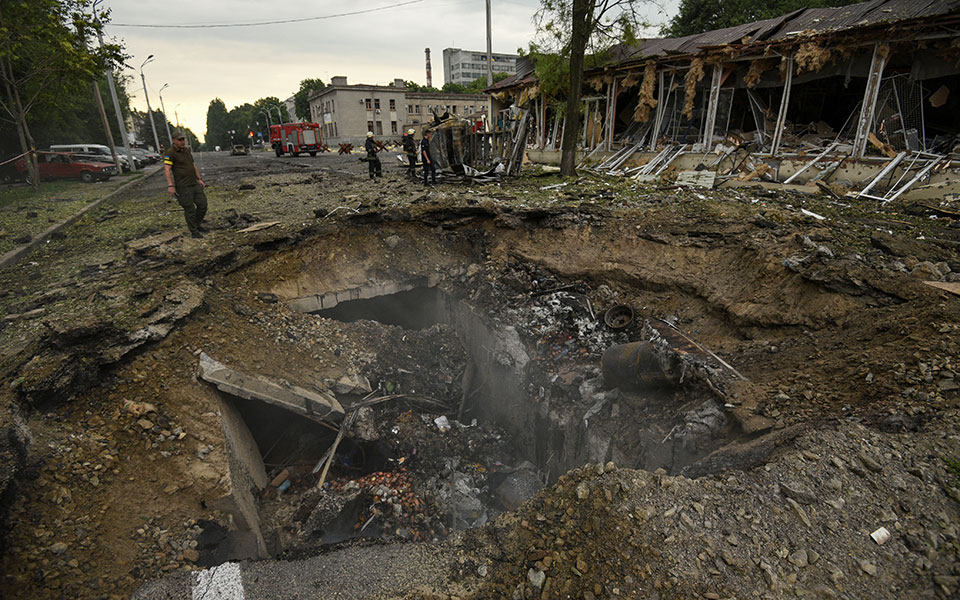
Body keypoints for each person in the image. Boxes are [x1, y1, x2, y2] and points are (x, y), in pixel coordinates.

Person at [163, 130, 207, 238]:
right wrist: (170, 186)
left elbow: (193, 165)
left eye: (183, 139)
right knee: (189, 209)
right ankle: (194, 231)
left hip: (194, 183)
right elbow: (167, 169)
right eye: (180, 140)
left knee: (203, 205)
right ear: (174, 140)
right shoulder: (170, 153)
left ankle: (196, 224)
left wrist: (199, 179)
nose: (182, 142)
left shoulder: (186, 151)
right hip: (183, 186)